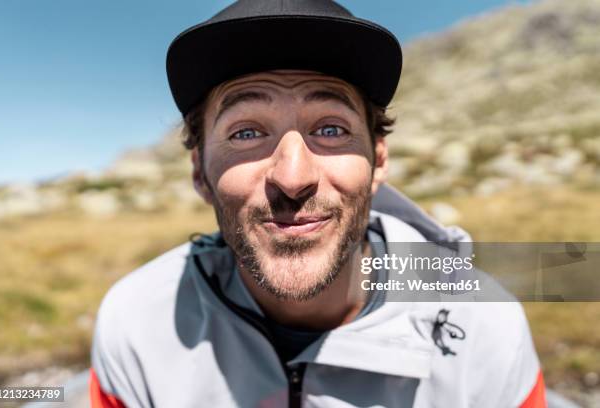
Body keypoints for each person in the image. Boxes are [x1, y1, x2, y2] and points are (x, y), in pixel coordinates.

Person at [89, 0, 547, 407]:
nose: (293, 178)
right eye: (246, 132)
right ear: (199, 173)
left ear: (378, 160)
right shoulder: (136, 322)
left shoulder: (486, 324)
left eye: (330, 129)